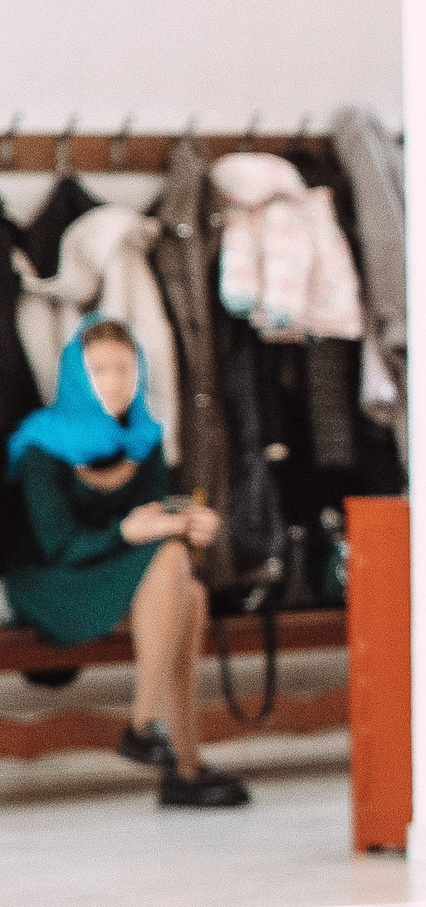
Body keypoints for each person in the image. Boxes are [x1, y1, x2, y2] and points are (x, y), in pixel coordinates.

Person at [3, 318, 248, 807]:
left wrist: (186, 523)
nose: (115, 382)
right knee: (178, 576)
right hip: (50, 581)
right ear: (77, 376)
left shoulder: (144, 437)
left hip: (117, 571)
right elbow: (58, 546)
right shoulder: (41, 444)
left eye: (125, 368)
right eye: (100, 370)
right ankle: (167, 748)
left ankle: (166, 748)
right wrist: (128, 531)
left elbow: (154, 521)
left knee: (188, 586)